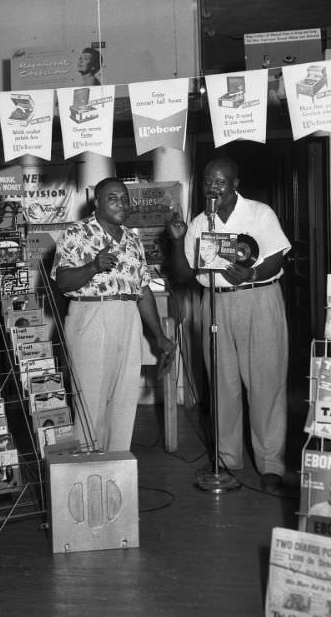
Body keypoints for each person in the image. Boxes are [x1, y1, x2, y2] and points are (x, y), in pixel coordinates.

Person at [167, 157, 290, 492]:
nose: (213, 187)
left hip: (258, 298)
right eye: (208, 181)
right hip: (216, 303)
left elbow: (277, 256)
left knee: (266, 382)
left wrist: (251, 272)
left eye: (221, 181)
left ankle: (271, 464)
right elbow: (182, 274)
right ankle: (227, 458)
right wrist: (178, 240)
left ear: (236, 184)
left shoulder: (259, 213)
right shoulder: (199, 221)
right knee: (222, 384)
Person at [52, 177, 175, 452]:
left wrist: (159, 337)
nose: (121, 204)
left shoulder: (132, 239)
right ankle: (84, 467)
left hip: (128, 316)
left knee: (124, 398)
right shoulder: (76, 233)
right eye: (113, 198)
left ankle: (116, 464)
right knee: (90, 398)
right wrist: (94, 266)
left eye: (125, 198)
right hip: (91, 315)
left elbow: (142, 290)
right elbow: (63, 283)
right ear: (97, 202)